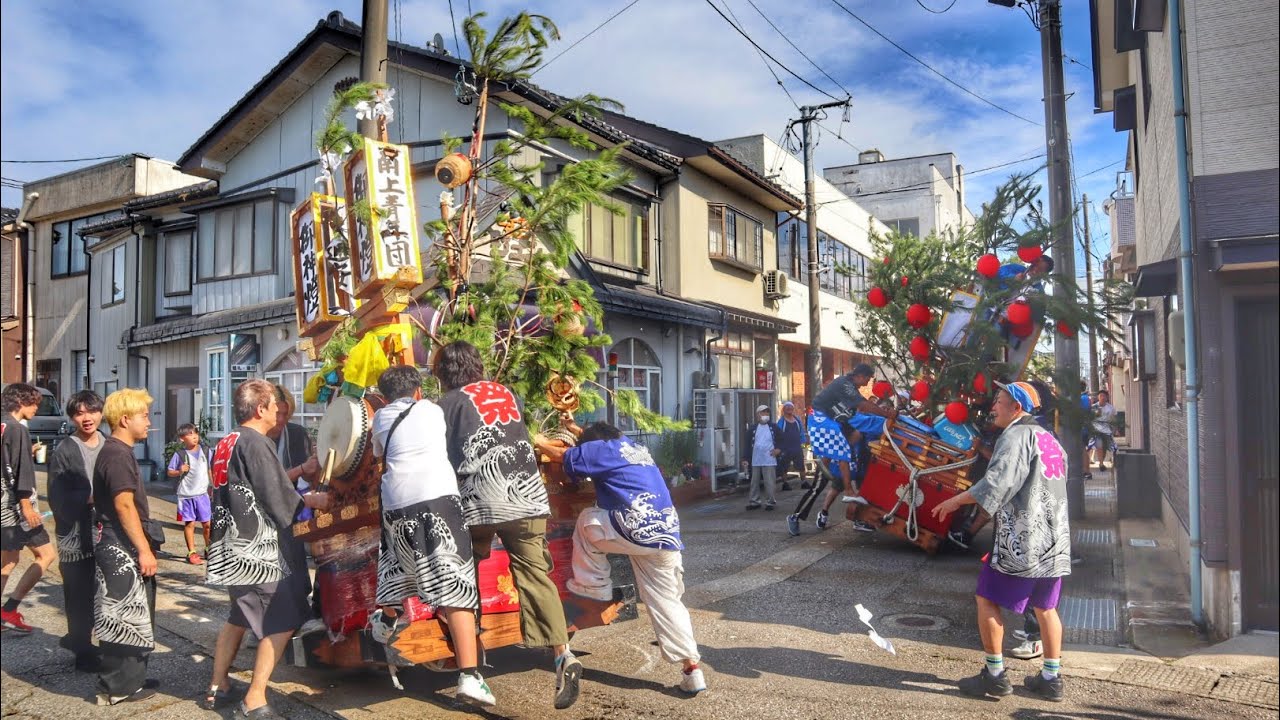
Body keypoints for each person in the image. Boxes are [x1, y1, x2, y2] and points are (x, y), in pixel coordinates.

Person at [433, 340, 582, 710]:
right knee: (535, 574)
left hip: (479, 500)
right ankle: (563, 654)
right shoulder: (505, 393)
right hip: (528, 495)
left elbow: (442, 456)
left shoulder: (446, 404)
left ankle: (472, 664)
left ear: (444, 373)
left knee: (463, 572)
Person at [536, 421, 706, 695]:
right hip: (666, 534)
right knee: (667, 602)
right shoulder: (633, 447)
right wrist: (577, 429)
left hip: (635, 529)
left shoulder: (601, 450)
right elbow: (599, 440)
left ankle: (593, 588)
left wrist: (534, 438)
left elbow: (560, 456)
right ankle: (692, 669)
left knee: (587, 520)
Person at [931, 381, 1072, 702]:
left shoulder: (1016, 436)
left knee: (986, 598)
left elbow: (997, 483)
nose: (992, 407)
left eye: (999, 401)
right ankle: (1051, 678)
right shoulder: (1049, 439)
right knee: (1046, 608)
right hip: (1055, 540)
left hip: (1023, 540)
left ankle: (994, 675)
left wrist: (955, 501)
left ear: (1017, 408)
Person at [204, 380, 330, 718]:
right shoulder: (256, 443)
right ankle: (254, 698)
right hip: (256, 550)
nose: (278, 414)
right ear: (260, 408)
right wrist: (311, 502)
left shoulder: (226, 441)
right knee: (283, 617)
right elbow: (278, 498)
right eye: (275, 407)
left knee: (238, 615)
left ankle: (219, 686)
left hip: (230, 543)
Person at [370, 365, 492, 707]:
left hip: (395, 503)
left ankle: (387, 619)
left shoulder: (380, 418)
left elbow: (379, 454)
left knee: (398, 565)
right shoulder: (433, 409)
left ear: (384, 396)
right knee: (455, 585)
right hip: (437, 499)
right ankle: (469, 677)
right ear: (419, 391)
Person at [92, 388, 161, 706]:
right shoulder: (118, 454)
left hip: (117, 542)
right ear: (124, 419)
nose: (149, 421)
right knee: (125, 613)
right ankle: (119, 687)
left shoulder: (116, 451)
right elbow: (124, 505)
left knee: (133, 611)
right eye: (144, 415)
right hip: (121, 546)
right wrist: (144, 549)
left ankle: (129, 679)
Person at [787, 364, 893, 535]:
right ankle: (796, 516)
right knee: (818, 488)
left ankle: (856, 515)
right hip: (831, 451)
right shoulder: (844, 385)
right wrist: (885, 414)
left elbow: (863, 414)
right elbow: (864, 405)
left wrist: (882, 415)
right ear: (859, 375)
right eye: (867, 379)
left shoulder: (850, 413)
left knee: (858, 485)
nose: (867, 384)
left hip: (849, 460)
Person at [46, 390, 106, 670]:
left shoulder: (108, 444)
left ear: (100, 413)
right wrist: (89, 499)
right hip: (74, 534)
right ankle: (82, 650)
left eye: (91, 411)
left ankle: (89, 641)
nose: (86, 418)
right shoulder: (64, 450)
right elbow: (56, 497)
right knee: (78, 591)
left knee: (101, 590)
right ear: (71, 417)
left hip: (103, 530)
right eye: (79, 413)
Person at [1, 382, 57, 634]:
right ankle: (9, 609)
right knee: (46, 555)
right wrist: (27, 506)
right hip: (17, 507)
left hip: (2, 507)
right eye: (34, 403)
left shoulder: (2, 426)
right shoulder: (17, 429)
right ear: (21, 402)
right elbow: (21, 472)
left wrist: (28, 452)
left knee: (8, 559)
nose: (36, 408)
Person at [167, 423, 213, 565]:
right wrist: (180, 471)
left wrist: (213, 485)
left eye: (196, 434)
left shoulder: (206, 451)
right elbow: (170, 471)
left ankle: (208, 548)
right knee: (190, 523)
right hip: (186, 495)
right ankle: (192, 552)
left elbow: (210, 469)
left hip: (202, 494)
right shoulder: (180, 455)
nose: (195, 437)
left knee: (207, 524)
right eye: (190, 434)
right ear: (182, 439)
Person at [740, 404, 781, 511]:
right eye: (763, 412)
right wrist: (745, 458)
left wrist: (778, 450)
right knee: (754, 481)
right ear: (758, 415)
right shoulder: (752, 429)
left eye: (767, 412)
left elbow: (783, 440)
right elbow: (747, 444)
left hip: (769, 458)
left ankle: (770, 501)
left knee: (769, 481)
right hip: (755, 458)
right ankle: (754, 501)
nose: (765, 415)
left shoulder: (774, 427)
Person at [774, 402, 806, 491]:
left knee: (801, 465)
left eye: (791, 407)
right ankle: (785, 483)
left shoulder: (797, 420)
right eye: (787, 407)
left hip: (796, 447)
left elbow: (801, 431)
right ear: (784, 410)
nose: (789, 409)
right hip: (785, 448)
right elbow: (778, 434)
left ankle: (804, 482)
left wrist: (803, 441)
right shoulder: (781, 422)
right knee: (784, 466)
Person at [1089, 390, 1117, 472]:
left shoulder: (1110, 408)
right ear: (1098, 397)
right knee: (1099, 446)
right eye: (1100, 396)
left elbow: (1114, 419)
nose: (1102, 397)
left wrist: (1115, 429)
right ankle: (1101, 464)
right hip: (1096, 430)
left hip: (1107, 430)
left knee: (1104, 448)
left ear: (1107, 397)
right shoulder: (1094, 407)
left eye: (1104, 396)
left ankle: (1102, 461)